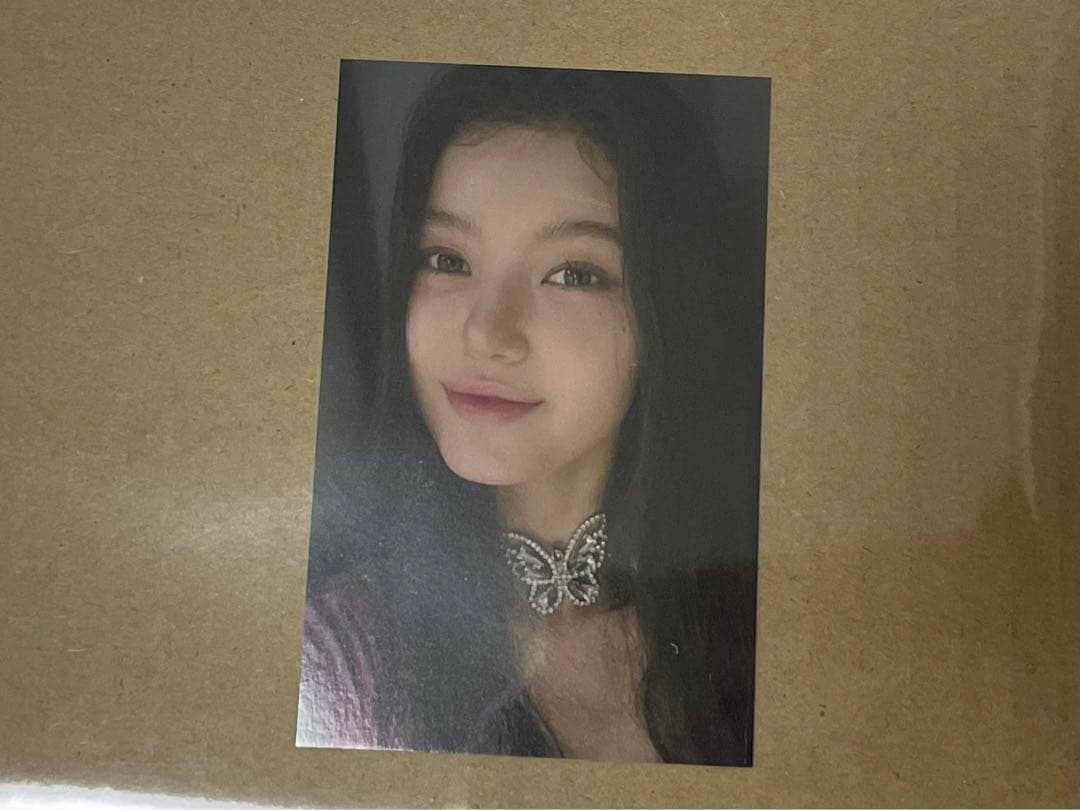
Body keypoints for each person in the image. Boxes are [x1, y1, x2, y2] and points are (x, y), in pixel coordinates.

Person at [297, 64, 760, 766]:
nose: (487, 333)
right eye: (446, 259)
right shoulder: (337, 661)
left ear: (670, 310)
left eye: (574, 273)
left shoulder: (779, 623)